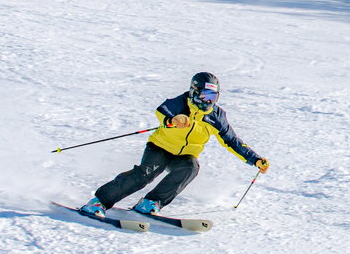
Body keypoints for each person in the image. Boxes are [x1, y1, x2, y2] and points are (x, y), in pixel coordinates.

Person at [80, 72, 268, 216]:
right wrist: (173, 119)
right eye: (205, 96)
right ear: (194, 92)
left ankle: (151, 203)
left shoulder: (217, 117)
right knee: (145, 175)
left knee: (191, 167)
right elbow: (163, 111)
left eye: (213, 97)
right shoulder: (181, 102)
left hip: (183, 156)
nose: (208, 101)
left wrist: (255, 160)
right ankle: (98, 202)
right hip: (160, 148)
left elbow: (232, 141)